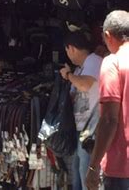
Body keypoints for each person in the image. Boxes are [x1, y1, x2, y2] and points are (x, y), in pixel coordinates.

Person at [86, 10, 129, 190]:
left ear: (107, 35)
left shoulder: (113, 62)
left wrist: (93, 166)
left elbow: (110, 119)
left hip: (121, 165)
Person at [59, 31, 102, 190]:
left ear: (71, 48)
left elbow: (85, 85)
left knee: (85, 169)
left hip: (92, 128)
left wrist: (68, 75)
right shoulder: (79, 69)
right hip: (81, 128)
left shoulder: (94, 61)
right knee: (77, 168)